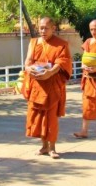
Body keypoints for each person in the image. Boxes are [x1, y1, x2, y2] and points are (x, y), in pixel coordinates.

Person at [24, 17, 72, 159]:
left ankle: (52, 148)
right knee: (38, 117)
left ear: (53, 28)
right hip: (37, 84)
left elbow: (62, 62)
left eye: (46, 28)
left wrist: (50, 72)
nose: (43, 31)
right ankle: (44, 146)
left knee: (50, 118)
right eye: (41, 28)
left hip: (51, 84)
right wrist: (28, 68)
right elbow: (28, 60)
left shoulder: (61, 44)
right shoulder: (33, 43)